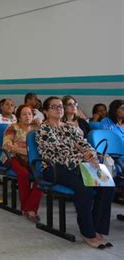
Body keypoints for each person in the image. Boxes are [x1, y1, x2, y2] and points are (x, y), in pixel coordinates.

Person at [36, 96, 115, 249]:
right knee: (84, 188)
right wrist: (83, 157)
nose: (59, 109)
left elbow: (85, 144)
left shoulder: (68, 127)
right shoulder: (43, 129)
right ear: (45, 111)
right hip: (54, 168)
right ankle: (87, 232)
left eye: (60, 106)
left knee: (107, 185)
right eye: (54, 107)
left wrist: (91, 154)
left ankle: (98, 228)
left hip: (79, 165)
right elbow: (59, 152)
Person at [2, 105, 42, 222]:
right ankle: (26, 207)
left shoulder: (36, 128)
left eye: (29, 114)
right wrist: (25, 152)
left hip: (31, 159)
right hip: (12, 156)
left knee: (40, 175)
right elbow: (7, 145)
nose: (27, 116)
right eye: (24, 114)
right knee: (23, 173)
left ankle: (31, 207)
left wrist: (30, 154)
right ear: (18, 117)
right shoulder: (13, 127)